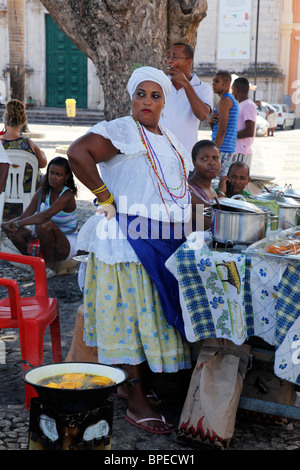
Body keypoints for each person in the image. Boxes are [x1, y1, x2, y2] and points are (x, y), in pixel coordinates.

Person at [67, 66, 192, 435]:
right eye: (141, 94)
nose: (147, 102)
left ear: (165, 102)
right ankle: (136, 404)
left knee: (149, 318)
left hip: (162, 240)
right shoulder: (122, 130)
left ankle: (128, 385)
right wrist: (105, 198)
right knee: (130, 321)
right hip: (126, 241)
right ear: (131, 98)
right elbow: (77, 153)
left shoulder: (169, 138)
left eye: (155, 96)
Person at [1, 156, 78, 279]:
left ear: (67, 177)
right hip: (45, 239)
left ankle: (49, 267)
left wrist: (17, 224)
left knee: (44, 224)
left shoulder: (67, 195)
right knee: (15, 232)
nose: (53, 177)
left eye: (59, 174)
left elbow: (45, 216)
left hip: (66, 244)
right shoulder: (42, 192)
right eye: (51, 173)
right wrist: (7, 224)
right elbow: (25, 216)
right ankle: (34, 265)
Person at [159, 42, 213, 156]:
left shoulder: (203, 88)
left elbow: (203, 115)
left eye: (174, 57)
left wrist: (186, 84)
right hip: (160, 152)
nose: (169, 61)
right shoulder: (161, 84)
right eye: (168, 56)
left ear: (188, 62)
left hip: (186, 154)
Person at [1, 99, 47, 220]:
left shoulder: (0, 143)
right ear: (21, 123)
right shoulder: (29, 144)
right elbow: (42, 164)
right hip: (28, 196)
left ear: (4, 122)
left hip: (3, 193)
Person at [209, 71, 239, 177]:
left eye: (217, 81)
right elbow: (217, 129)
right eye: (213, 81)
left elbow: (222, 130)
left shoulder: (225, 101)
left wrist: (214, 153)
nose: (213, 84)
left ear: (226, 84)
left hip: (223, 149)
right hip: (226, 148)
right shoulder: (228, 100)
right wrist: (210, 122)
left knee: (215, 182)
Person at [188, 140, 221, 231]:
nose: (212, 162)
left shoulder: (212, 190)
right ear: (194, 163)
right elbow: (210, 225)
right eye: (204, 158)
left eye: (215, 158)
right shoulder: (191, 192)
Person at [231, 77, 256, 170]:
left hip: (242, 151)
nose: (232, 93)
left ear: (237, 90)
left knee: (238, 181)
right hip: (236, 150)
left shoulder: (248, 105)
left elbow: (249, 131)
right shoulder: (241, 105)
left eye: (232, 90)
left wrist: (230, 136)